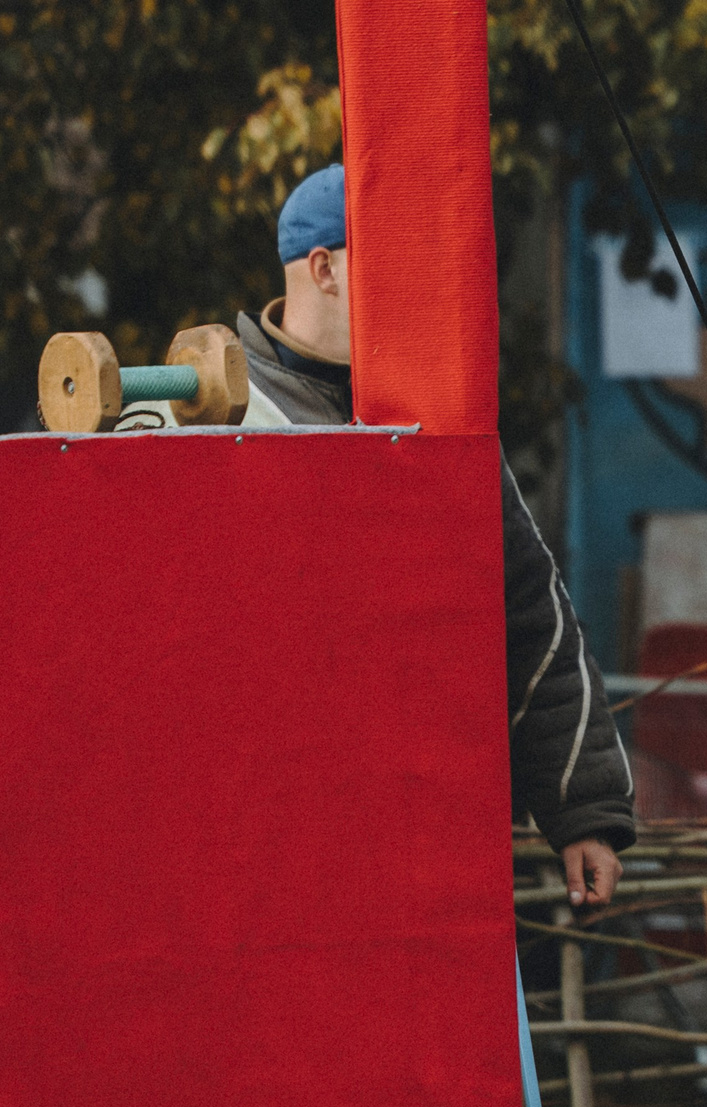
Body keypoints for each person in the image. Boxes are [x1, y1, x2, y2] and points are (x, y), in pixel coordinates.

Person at [170, 165, 634, 899]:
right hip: (249, 843)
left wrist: (584, 809)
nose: (423, 286)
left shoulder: (442, 424)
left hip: (419, 841)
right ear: (323, 269)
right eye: (395, 260)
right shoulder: (207, 415)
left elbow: (531, 616)